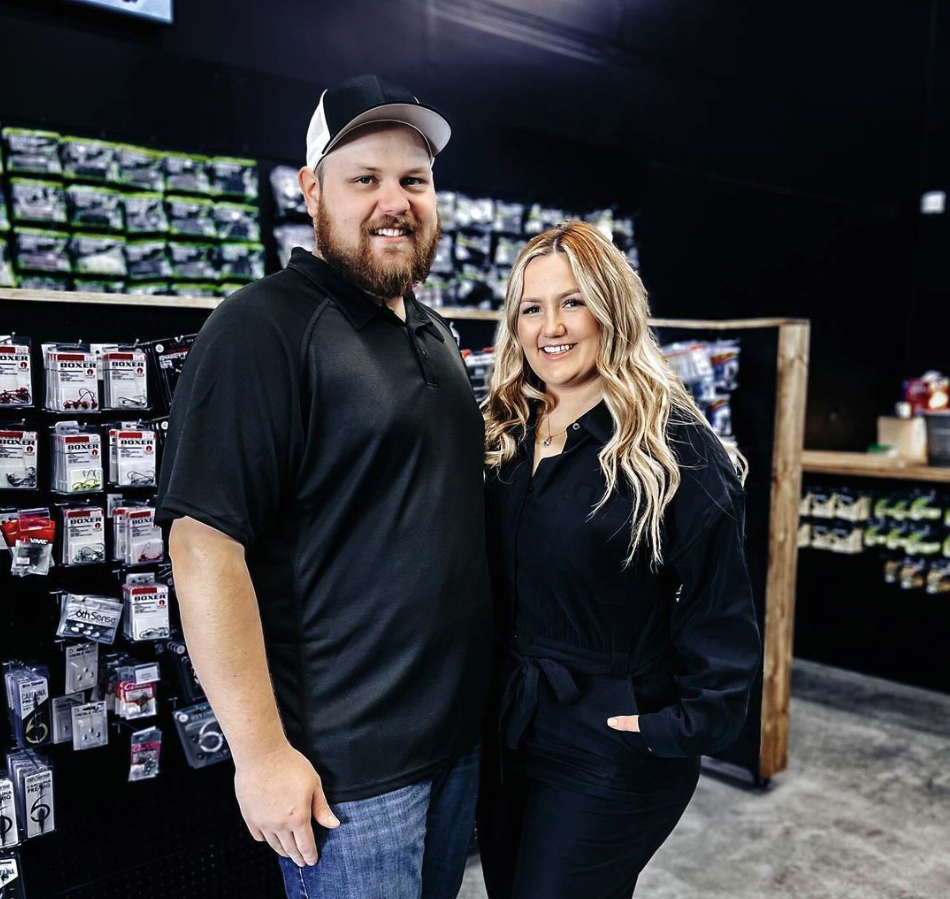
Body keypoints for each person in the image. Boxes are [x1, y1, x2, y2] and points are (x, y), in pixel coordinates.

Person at [156, 74, 492, 899]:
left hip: (456, 744)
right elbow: (202, 548)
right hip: (349, 776)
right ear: (311, 191)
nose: (395, 202)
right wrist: (261, 754)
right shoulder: (260, 328)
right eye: (365, 178)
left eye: (414, 180)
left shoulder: (434, 333)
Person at [475, 221, 762, 899]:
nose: (551, 327)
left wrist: (673, 728)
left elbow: (722, 609)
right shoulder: (502, 433)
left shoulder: (673, 447)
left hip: (611, 741)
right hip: (510, 729)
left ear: (613, 310)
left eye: (573, 302)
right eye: (532, 307)